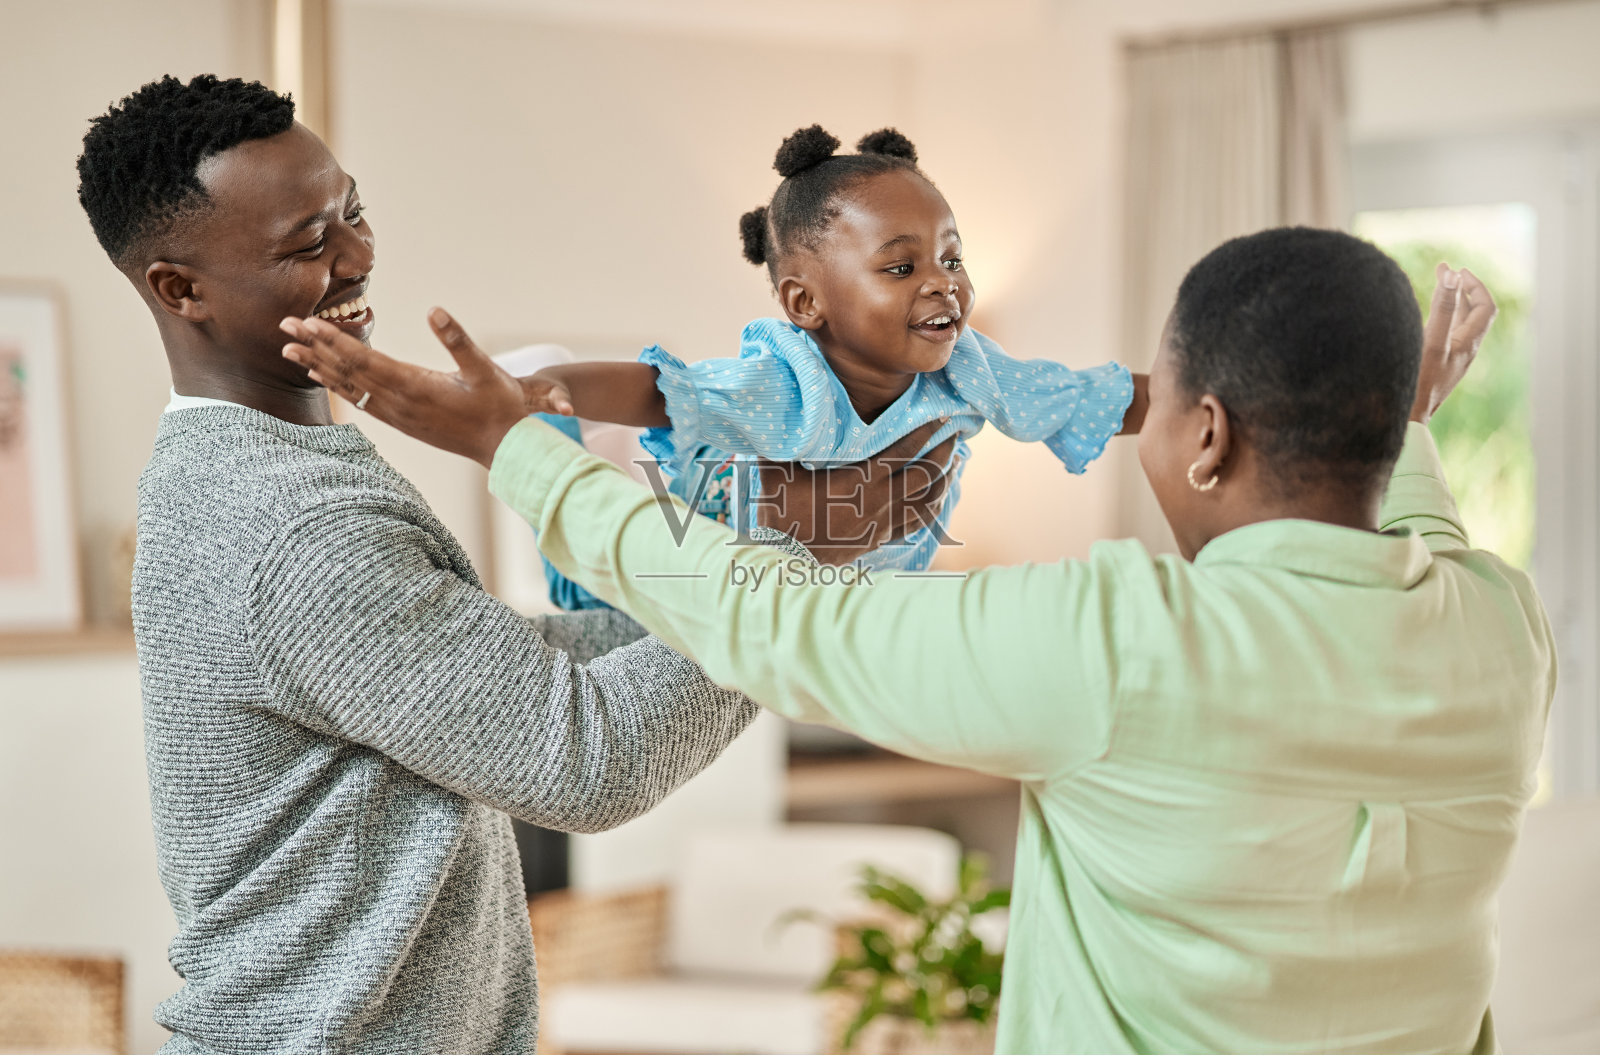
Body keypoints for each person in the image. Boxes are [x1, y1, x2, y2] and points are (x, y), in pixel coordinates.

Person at [283, 227, 1554, 1054]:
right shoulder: (1503, 628)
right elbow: (1414, 506)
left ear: (1208, 436)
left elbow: (773, 617)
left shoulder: (1122, 638)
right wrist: (1404, 414)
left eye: (1157, 410)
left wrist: (518, 449)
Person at [76, 74, 945, 1054]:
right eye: (308, 245)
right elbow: (583, 757)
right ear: (180, 288)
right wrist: (804, 547)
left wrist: (765, 552)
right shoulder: (289, 527)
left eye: (352, 210)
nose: (360, 256)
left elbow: (512, 669)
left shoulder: (259, 471)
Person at [524, 124, 1142, 579]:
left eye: (952, 258)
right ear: (805, 304)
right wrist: (545, 386)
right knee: (585, 580)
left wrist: (1207, 393)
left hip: (866, 577)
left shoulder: (972, 370)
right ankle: (541, 401)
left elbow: (1089, 396)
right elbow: (659, 393)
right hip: (702, 521)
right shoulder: (786, 386)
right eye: (901, 266)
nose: (942, 282)